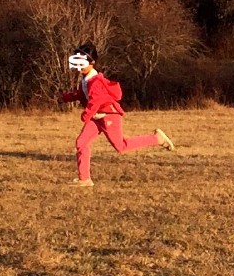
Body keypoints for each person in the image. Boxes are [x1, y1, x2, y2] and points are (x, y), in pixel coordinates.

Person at [57, 43, 174, 185]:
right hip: (96, 117)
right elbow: (81, 94)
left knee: (121, 146)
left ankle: (157, 139)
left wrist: (86, 115)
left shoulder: (95, 81)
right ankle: (84, 179)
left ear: (92, 62)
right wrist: (66, 97)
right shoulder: (86, 80)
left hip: (108, 116)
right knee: (81, 142)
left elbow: (95, 100)